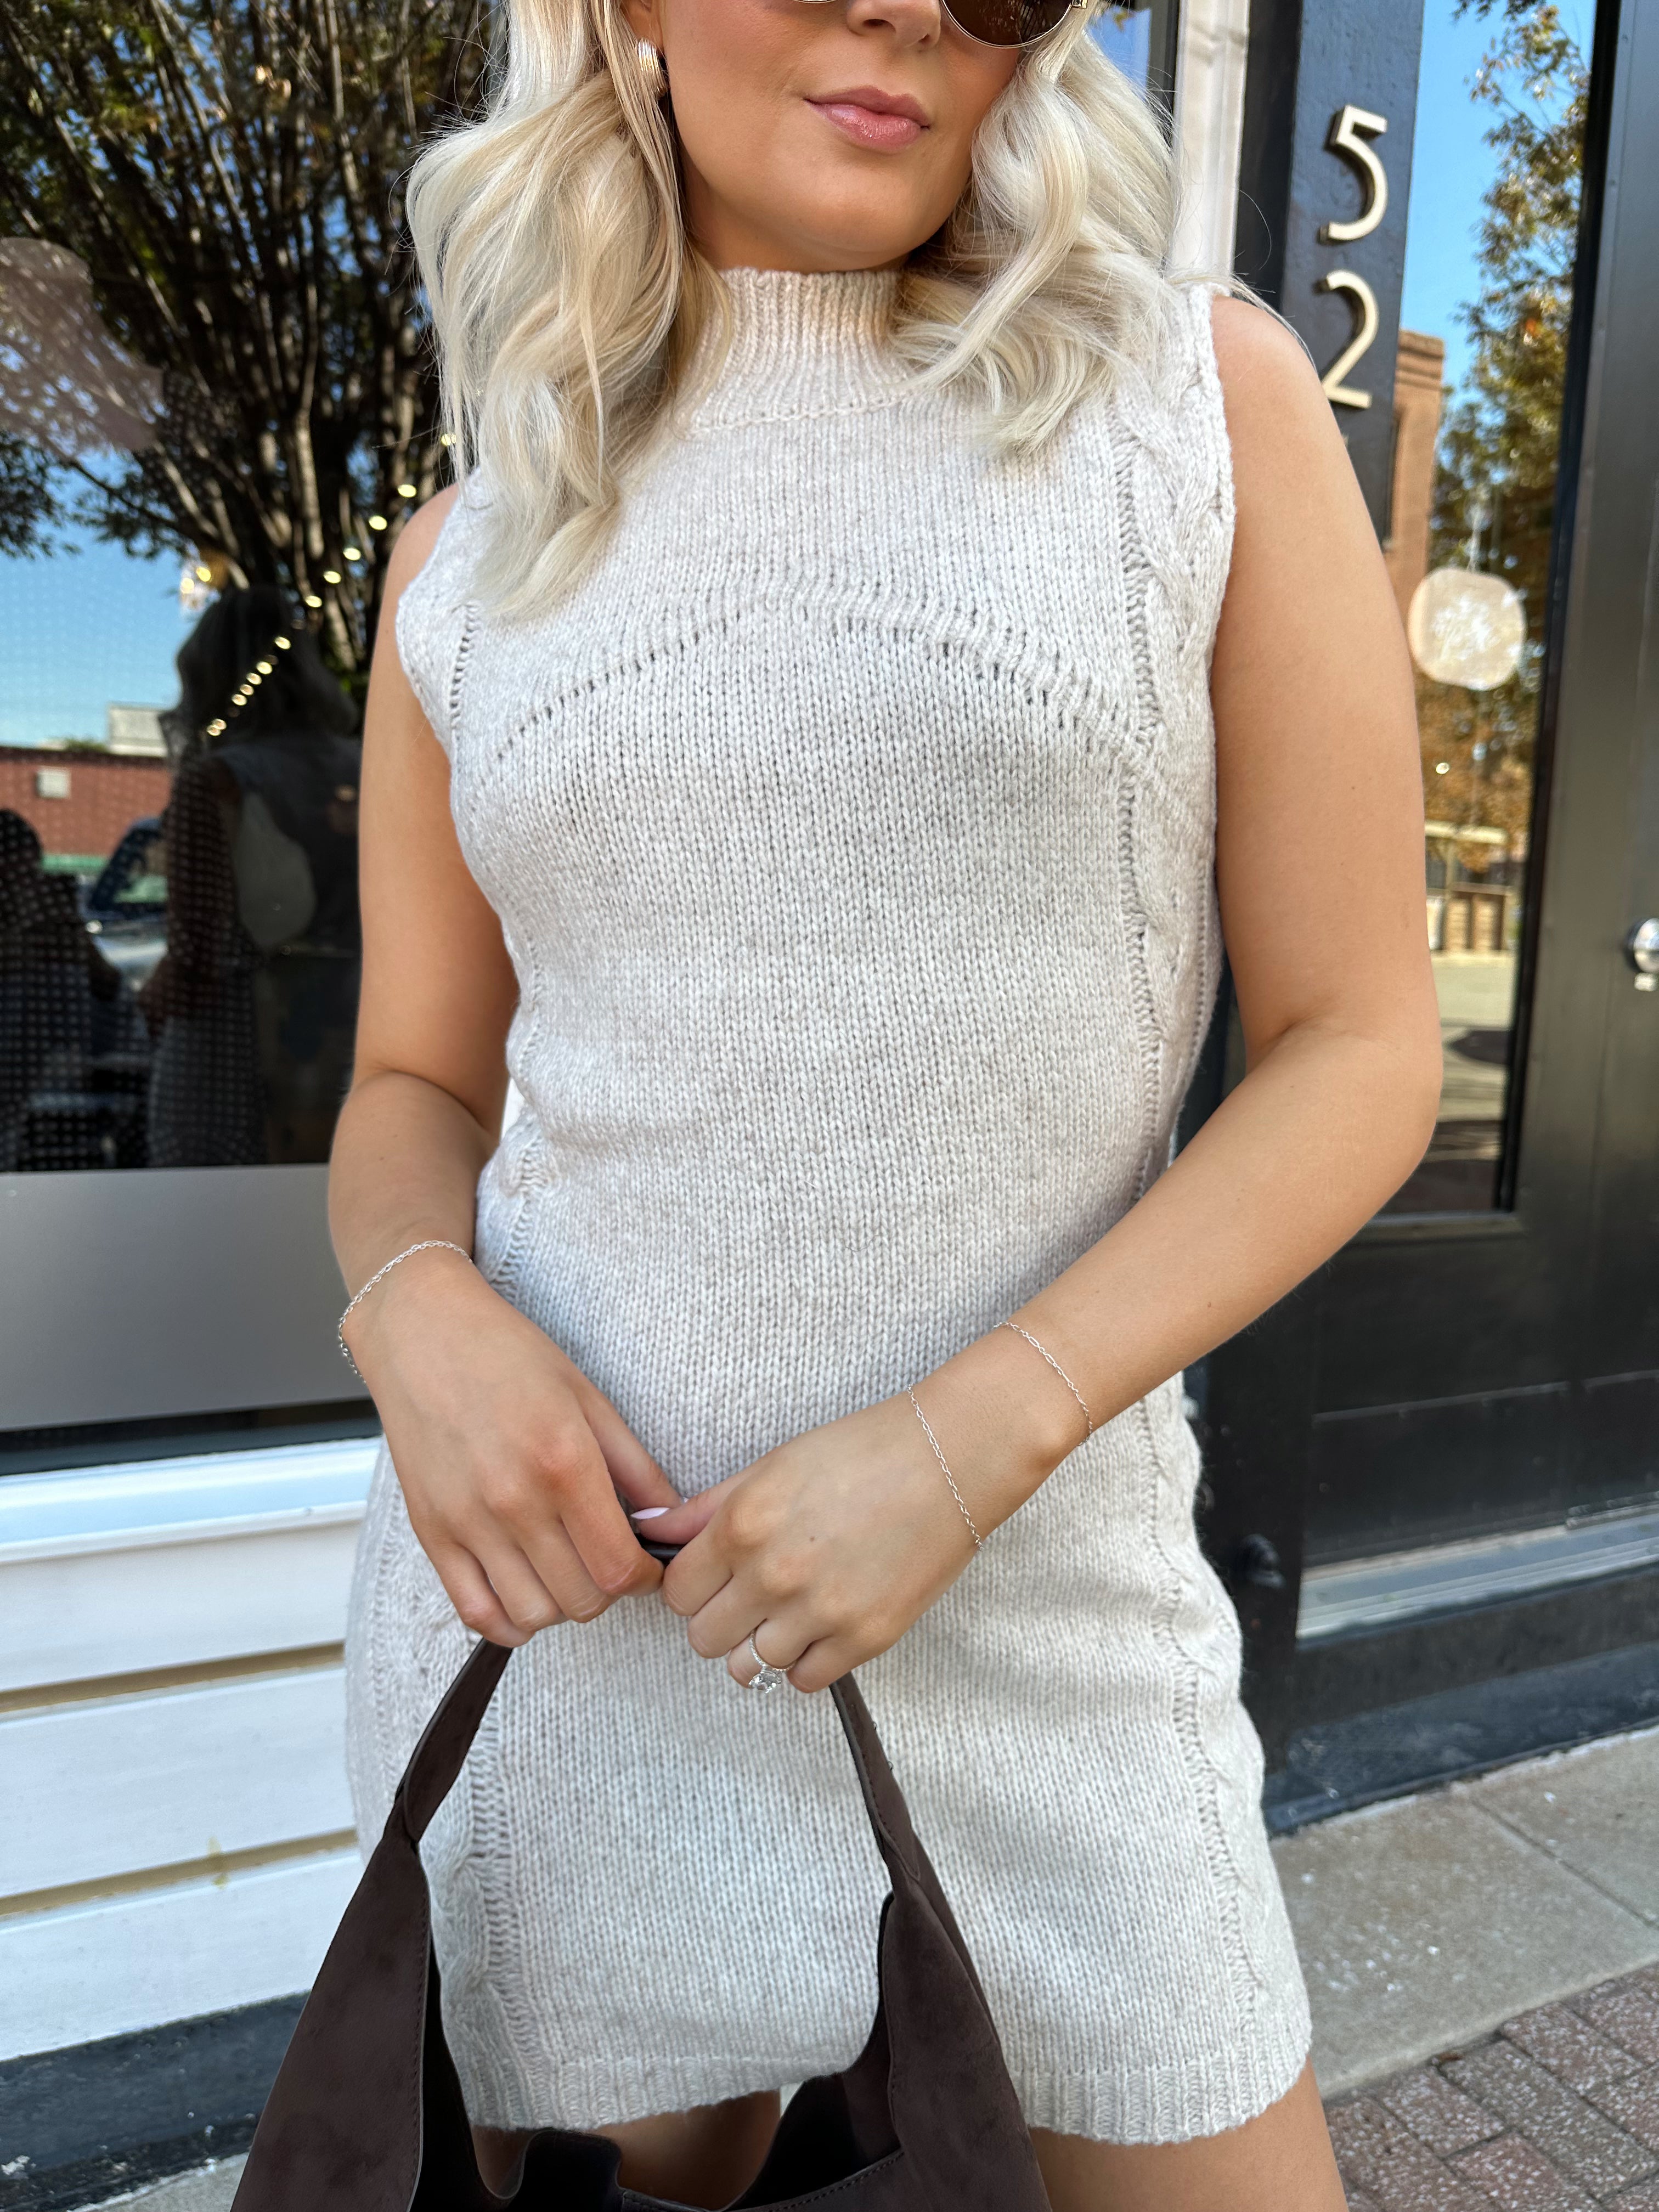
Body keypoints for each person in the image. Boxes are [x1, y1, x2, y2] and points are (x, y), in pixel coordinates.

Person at [332, 8, 1440, 2209]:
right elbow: (416, 1079)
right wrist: (412, 1314)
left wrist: (963, 1439)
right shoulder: (469, 546)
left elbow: (1363, 1044)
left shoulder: (1195, 403)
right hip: (577, 1632)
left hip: (1041, 1607)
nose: (917, 14)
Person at [143, 587, 362, 1166]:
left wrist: (145, 1003)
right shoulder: (365, 767)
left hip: (236, 1043)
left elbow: (195, 954)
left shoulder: (216, 781)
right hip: (358, 1024)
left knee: (216, 1222)